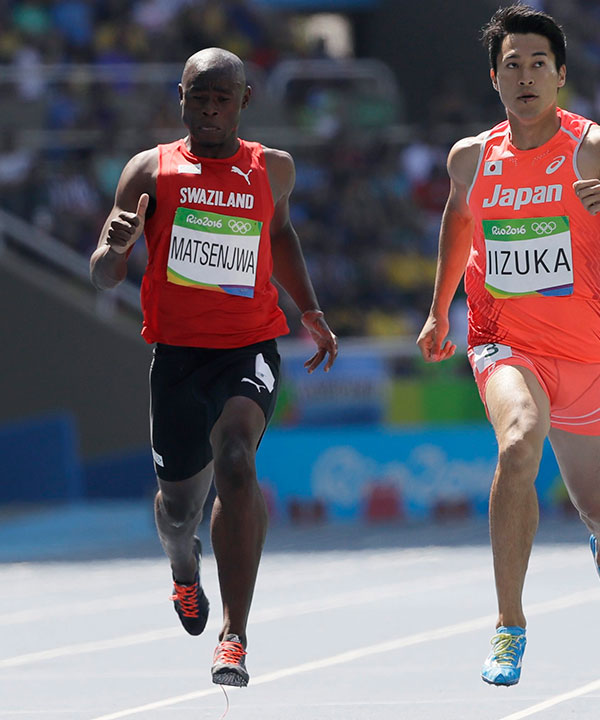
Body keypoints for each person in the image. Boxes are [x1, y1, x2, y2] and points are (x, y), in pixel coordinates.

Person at [415, 4, 600, 687]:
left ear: (560, 75)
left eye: (539, 64)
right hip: (504, 346)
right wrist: (439, 311)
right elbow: (457, 221)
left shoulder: (599, 149)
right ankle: (510, 624)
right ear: (495, 78)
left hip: (589, 361)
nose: (526, 76)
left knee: (599, 505)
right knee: (517, 444)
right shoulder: (472, 157)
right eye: (513, 65)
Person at [89, 48, 338, 687]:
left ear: (244, 102)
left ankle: (234, 636)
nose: (208, 109)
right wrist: (115, 250)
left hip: (249, 347)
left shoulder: (271, 170)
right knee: (177, 513)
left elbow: (279, 235)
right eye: (197, 97)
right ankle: (182, 569)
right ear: (180, 98)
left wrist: (308, 308)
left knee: (235, 459)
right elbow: (104, 273)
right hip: (176, 357)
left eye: (220, 98)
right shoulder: (150, 170)